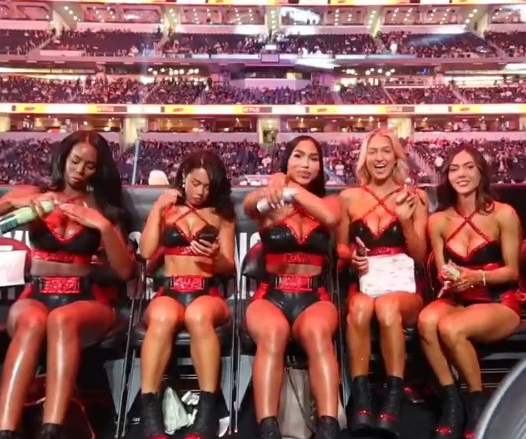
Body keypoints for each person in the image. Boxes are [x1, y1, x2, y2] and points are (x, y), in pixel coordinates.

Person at [0, 131, 135, 439]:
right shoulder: (34, 193)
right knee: (31, 321)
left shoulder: (103, 207)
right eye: (75, 161)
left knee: (62, 319)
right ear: (63, 158)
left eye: (89, 166)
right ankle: (5, 430)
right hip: (38, 292)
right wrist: (15, 202)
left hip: (85, 298)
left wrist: (101, 225)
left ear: (99, 170)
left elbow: (124, 271)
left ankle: (52, 429)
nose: (80, 170)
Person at [418, 146, 521, 439]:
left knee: (450, 327)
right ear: (446, 176)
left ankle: (477, 404)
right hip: (457, 299)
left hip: (499, 301)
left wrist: (476, 277)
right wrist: (451, 278)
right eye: (454, 169)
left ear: (481, 172)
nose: (460, 174)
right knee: (427, 321)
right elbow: (442, 272)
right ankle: (453, 403)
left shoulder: (504, 214)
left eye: (468, 167)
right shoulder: (437, 221)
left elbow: (512, 271)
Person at [242, 135, 341, 439]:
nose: (306, 164)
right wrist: (274, 187)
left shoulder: (329, 202)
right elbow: (248, 207)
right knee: (273, 333)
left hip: (314, 296)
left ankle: (328, 428)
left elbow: (330, 218)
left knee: (317, 333)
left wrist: (290, 188)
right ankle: (268, 430)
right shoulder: (270, 201)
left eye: (313, 159)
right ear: (286, 160)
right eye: (298, 156)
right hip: (271, 296)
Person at [336, 129, 428, 437]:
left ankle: (393, 397)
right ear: (364, 158)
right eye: (373, 152)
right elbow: (340, 247)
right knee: (360, 310)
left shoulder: (415, 197)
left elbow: (420, 255)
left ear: (396, 157)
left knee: (388, 308)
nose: (379, 158)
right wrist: (352, 257)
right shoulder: (348, 197)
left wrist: (403, 219)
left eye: (385, 151)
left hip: (404, 290)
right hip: (363, 285)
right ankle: (361, 399)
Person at [139, 150, 236, 439]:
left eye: (207, 186)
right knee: (163, 316)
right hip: (169, 289)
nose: (201, 192)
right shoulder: (167, 209)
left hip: (206, 292)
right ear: (183, 178)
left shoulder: (222, 216)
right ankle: (149, 413)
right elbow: (145, 252)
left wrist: (216, 257)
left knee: (198, 315)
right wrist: (157, 210)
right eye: (196, 183)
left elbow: (229, 266)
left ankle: (206, 414)